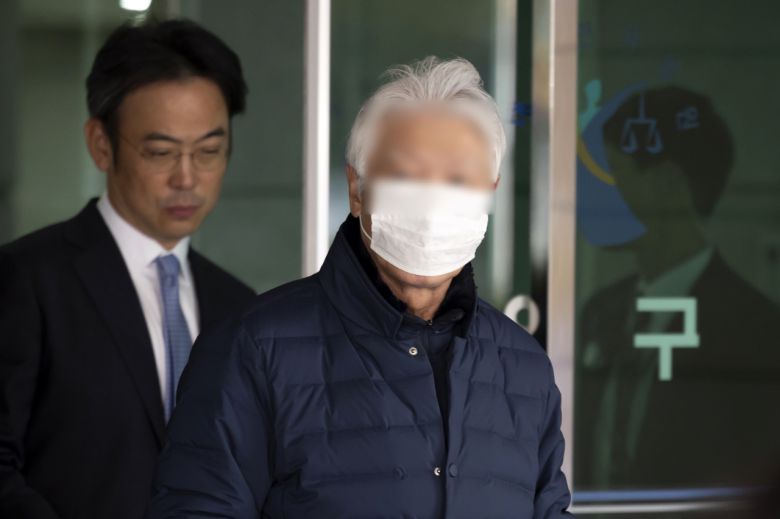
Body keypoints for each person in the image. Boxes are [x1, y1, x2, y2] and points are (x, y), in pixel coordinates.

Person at [149, 57, 573, 518]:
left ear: (489, 192)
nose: (432, 203)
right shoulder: (253, 350)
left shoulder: (522, 366)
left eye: (457, 180)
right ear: (357, 189)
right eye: (406, 176)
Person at [0, 19, 255, 519]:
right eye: (161, 152)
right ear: (101, 144)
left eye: (208, 151)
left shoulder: (239, 307)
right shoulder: (26, 280)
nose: (187, 178)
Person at [575, 86, 780, 489]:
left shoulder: (756, 329)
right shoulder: (600, 313)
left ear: (667, 183)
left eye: (613, 174)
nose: (595, 196)